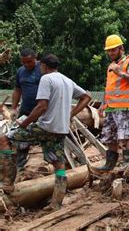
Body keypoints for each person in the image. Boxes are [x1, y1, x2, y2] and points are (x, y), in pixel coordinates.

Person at [0, 54, 91, 210]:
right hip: (60, 129)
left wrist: (25, 123)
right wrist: (70, 115)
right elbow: (86, 97)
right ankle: (56, 202)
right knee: (58, 163)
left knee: (4, 139)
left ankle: (7, 183)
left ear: (43, 65)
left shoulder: (46, 79)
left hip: (44, 126)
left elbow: (42, 106)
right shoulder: (67, 81)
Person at [95, 35, 129, 172]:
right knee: (109, 136)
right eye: (108, 51)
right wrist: (103, 102)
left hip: (123, 106)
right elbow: (109, 86)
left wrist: (121, 73)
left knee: (127, 135)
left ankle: (127, 163)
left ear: (121, 49)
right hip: (110, 107)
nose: (110, 53)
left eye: (113, 50)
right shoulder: (111, 66)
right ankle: (110, 164)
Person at [11, 48, 42, 172]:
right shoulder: (20, 71)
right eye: (24, 62)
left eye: (30, 61)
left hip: (42, 111)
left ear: (36, 58)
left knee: (48, 138)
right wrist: (13, 107)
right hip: (26, 110)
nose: (27, 64)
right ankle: (20, 166)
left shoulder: (44, 68)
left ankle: (50, 164)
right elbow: (17, 89)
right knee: (21, 139)